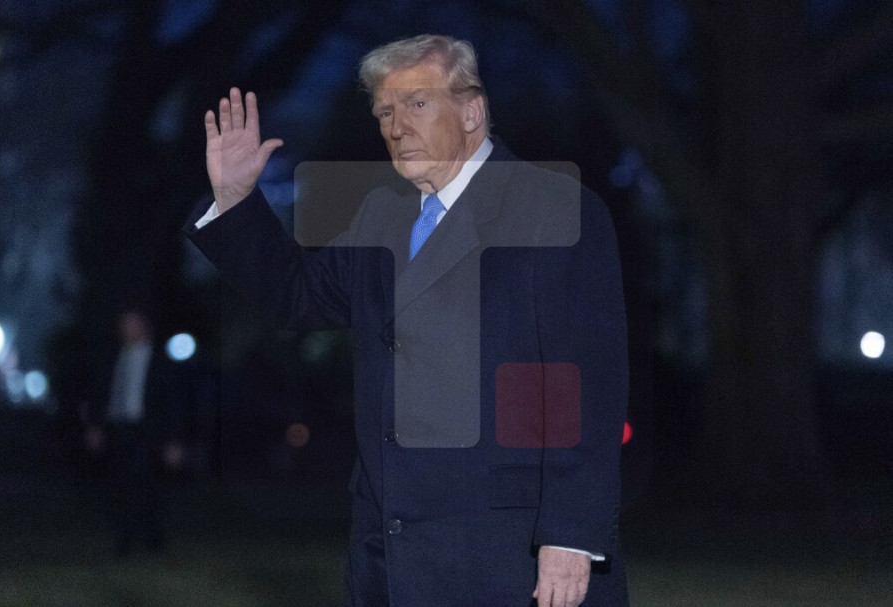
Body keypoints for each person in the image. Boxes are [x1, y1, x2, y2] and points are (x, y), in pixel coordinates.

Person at [185, 35, 629, 606]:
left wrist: (570, 535)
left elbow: (587, 385)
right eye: (385, 112)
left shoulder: (553, 208)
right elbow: (297, 295)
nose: (397, 127)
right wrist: (236, 199)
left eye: (417, 103)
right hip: (388, 552)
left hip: (507, 552)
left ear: (472, 112)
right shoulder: (383, 215)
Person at [85, 308, 190, 555]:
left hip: (146, 430)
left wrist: (173, 440)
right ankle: (125, 538)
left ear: (144, 327)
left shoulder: (160, 361)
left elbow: (172, 402)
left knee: (144, 484)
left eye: (131, 324)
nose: (126, 330)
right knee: (119, 484)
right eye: (123, 325)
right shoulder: (112, 358)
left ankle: (148, 536)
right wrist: (96, 427)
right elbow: (101, 394)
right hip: (117, 428)